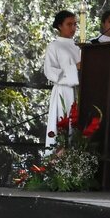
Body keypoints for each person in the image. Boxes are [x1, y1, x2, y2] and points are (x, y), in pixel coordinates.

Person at [43, 9, 81, 148]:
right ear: (60, 26)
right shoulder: (54, 46)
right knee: (62, 128)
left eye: (75, 24)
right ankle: (59, 155)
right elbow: (50, 71)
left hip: (78, 92)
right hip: (63, 92)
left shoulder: (78, 47)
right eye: (69, 24)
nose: (73, 28)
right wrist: (74, 68)